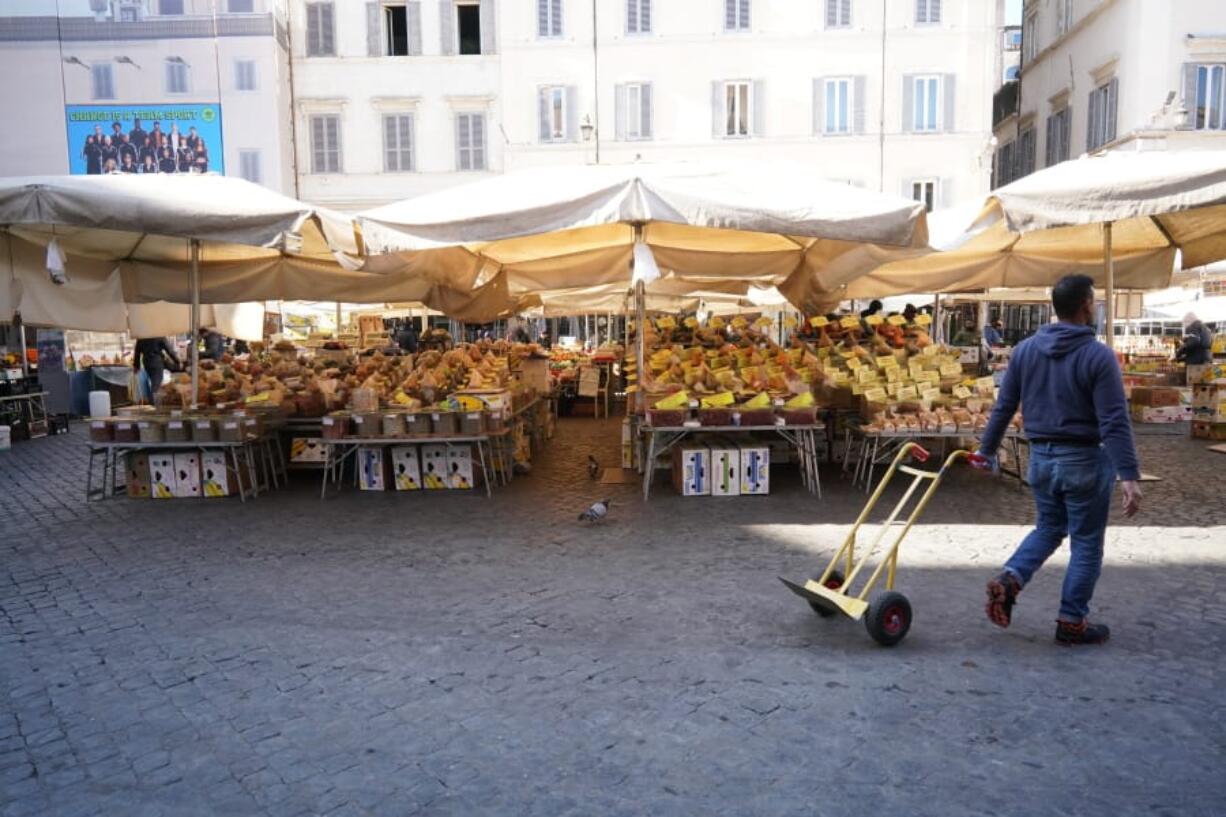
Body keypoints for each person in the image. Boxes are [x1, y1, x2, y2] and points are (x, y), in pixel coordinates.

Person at [975, 274, 1141, 646]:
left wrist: (986, 450)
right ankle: (1071, 621)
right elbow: (1113, 419)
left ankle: (1011, 578)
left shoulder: (1025, 350)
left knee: (1049, 528)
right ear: (1086, 305)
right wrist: (1130, 475)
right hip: (1083, 459)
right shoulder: (1098, 355)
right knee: (1085, 542)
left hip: (1041, 459)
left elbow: (1004, 406)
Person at [133, 336, 180, 404]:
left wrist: (136, 365)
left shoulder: (142, 335)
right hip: (156, 361)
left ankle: (154, 402)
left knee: (154, 382)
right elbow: (169, 350)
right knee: (156, 385)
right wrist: (177, 361)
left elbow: (137, 351)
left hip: (147, 362)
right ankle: (154, 405)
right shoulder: (158, 334)